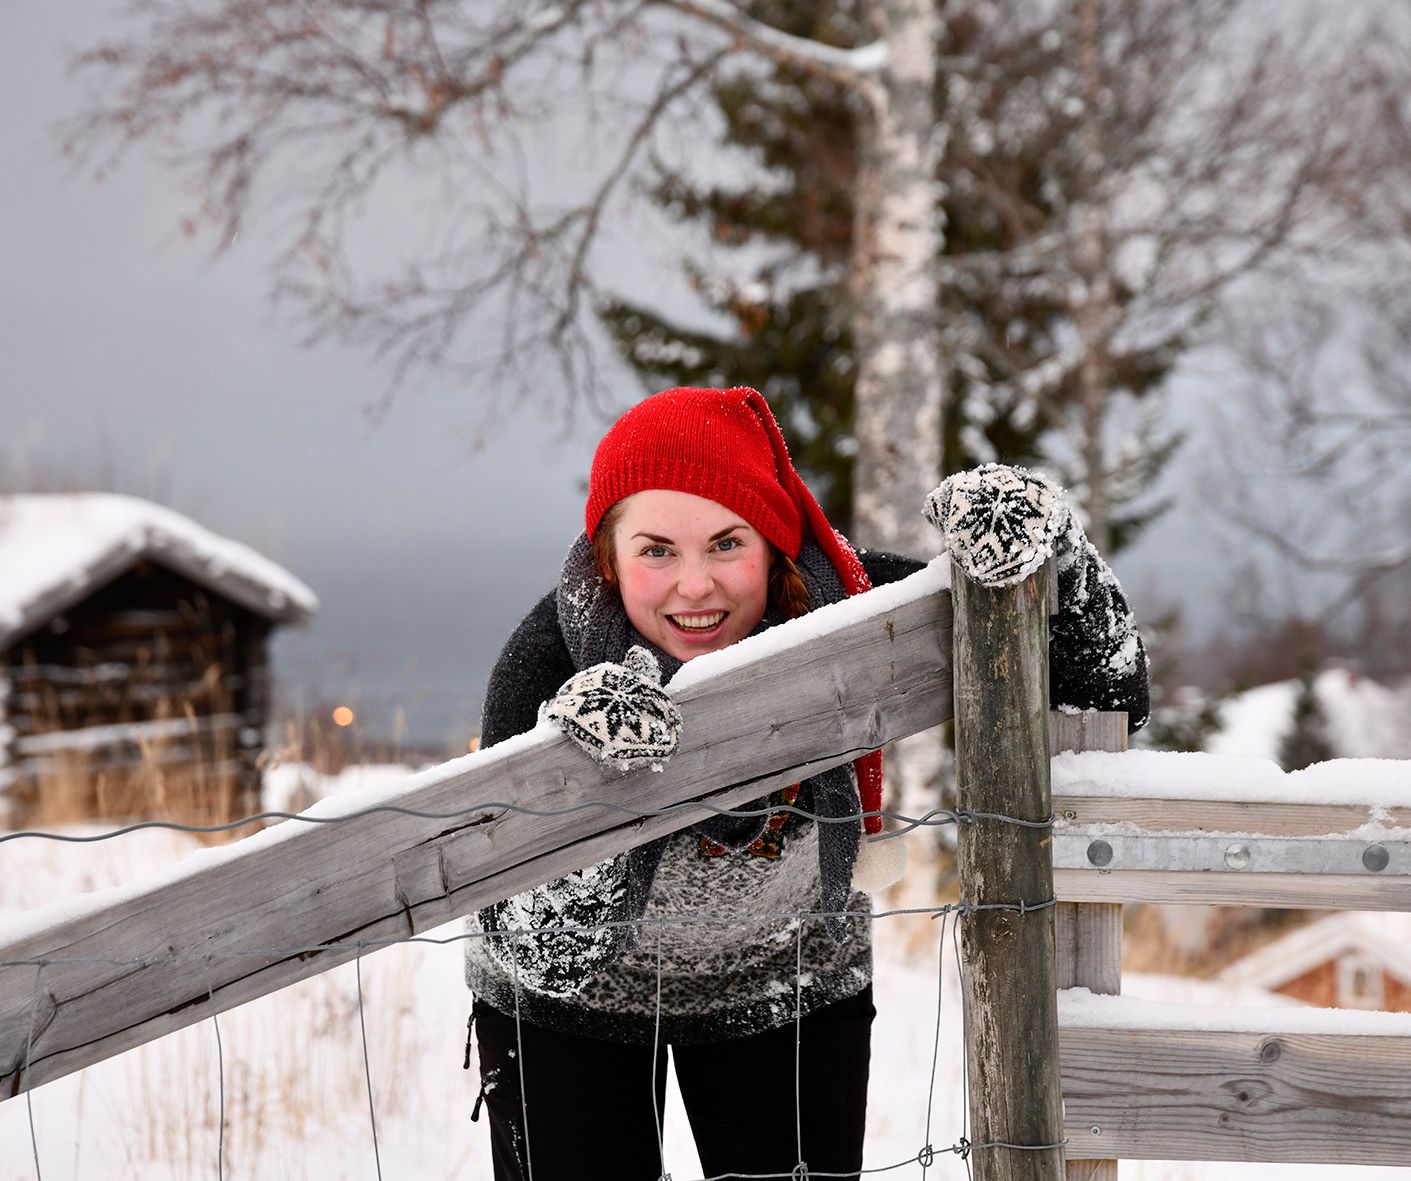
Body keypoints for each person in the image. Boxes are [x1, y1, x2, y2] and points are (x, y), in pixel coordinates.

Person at [464, 386, 1148, 1181]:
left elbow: (1108, 696)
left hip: (787, 975)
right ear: (608, 557)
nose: (695, 586)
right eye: (657, 550)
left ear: (775, 543)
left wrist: (1053, 550)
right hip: (571, 1010)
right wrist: (591, 785)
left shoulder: (853, 609)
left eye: (728, 544)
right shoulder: (543, 662)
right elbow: (535, 949)